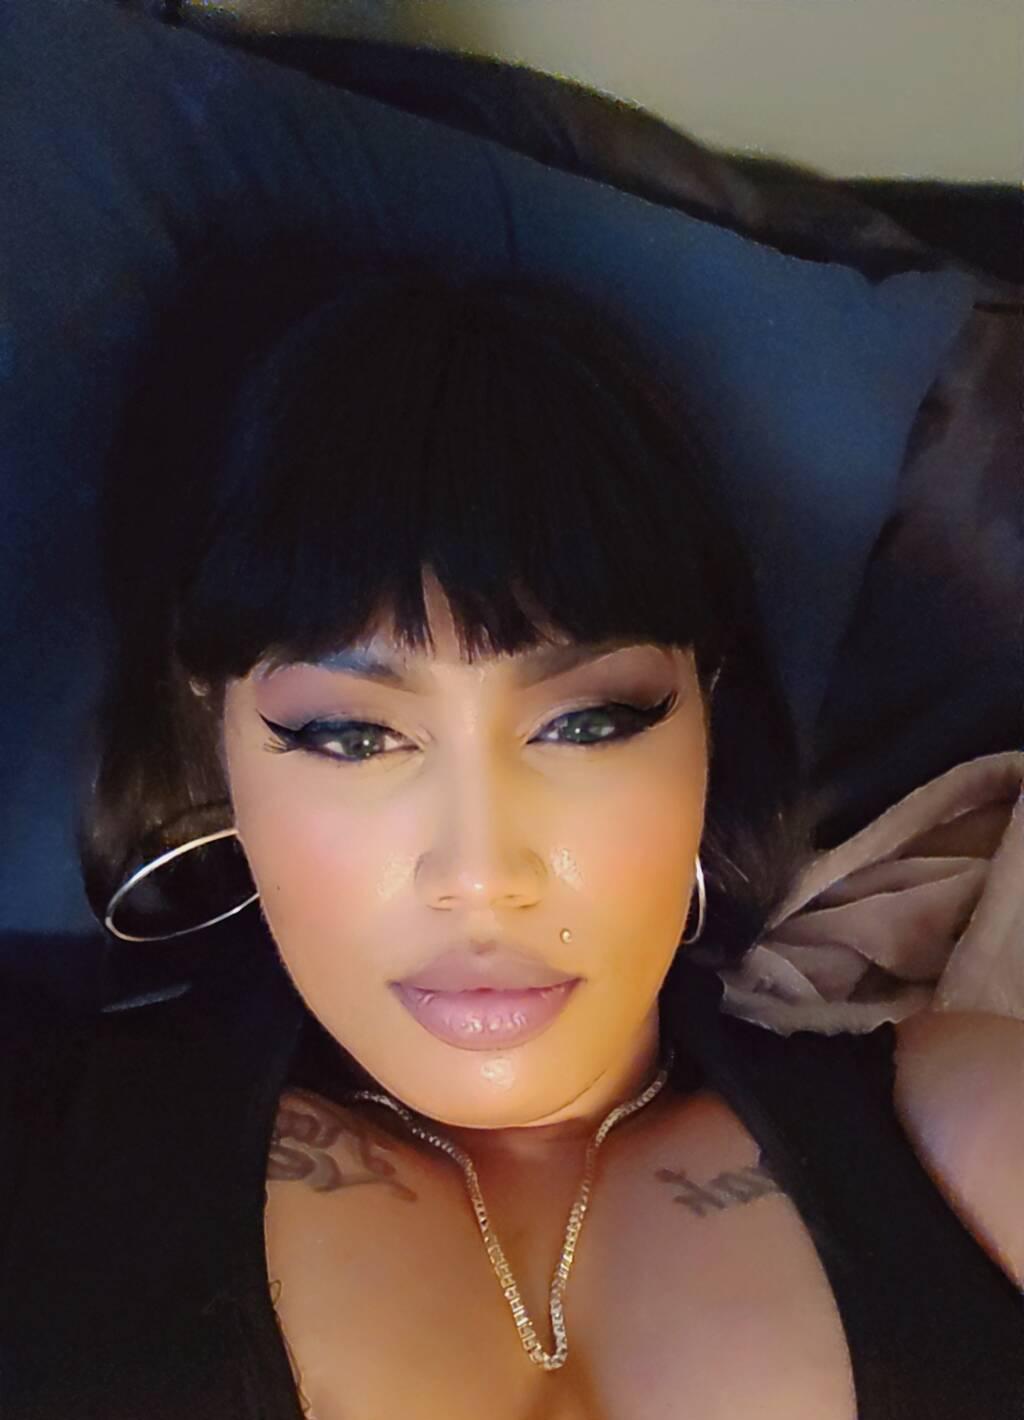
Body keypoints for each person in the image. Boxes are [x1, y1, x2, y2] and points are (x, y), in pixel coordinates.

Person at [2, 250, 1020, 1420]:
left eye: (587, 723)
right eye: (350, 736)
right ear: (217, 738)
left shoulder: (962, 1122)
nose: (482, 875)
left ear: (705, 714)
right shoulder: (42, 1129)